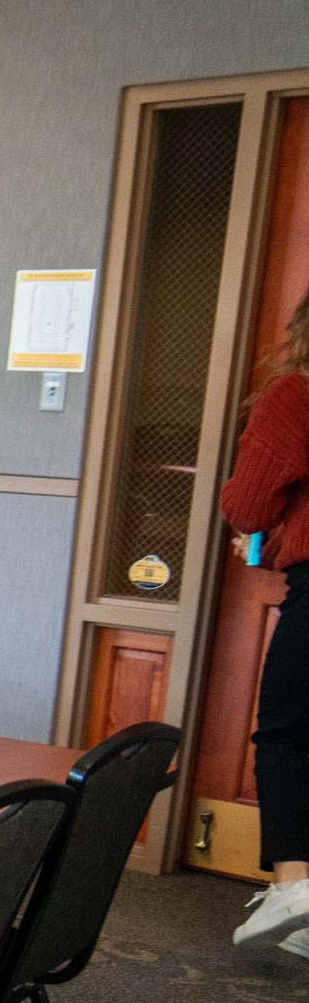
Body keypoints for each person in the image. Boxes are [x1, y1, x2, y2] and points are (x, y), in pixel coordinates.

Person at [222, 286, 309, 955]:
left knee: (285, 735)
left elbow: (248, 504)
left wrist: (261, 525)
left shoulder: (295, 396)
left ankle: (293, 883)